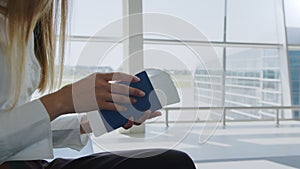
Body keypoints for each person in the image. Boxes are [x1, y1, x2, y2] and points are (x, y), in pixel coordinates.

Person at [0, 0, 196, 169]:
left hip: (23, 161)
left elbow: (21, 131)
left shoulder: (19, 29)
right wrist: (62, 100)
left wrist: (94, 121)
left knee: (173, 162)